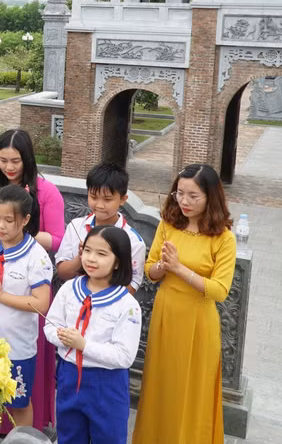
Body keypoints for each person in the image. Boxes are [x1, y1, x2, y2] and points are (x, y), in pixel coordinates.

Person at [133, 163, 236, 444]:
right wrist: (163, 268)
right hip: (166, 313)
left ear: (210, 197)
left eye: (194, 196)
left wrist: (180, 269)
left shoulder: (223, 238)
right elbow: (151, 270)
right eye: (180, 193)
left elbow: (219, 291)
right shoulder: (169, 225)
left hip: (199, 321)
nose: (184, 201)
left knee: (193, 389)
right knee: (161, 384)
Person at [0, 129, 64, 430]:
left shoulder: (45, 191)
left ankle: (25, 434)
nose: (9, 167)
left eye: (15, 161)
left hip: (23, 290)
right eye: (3, 161)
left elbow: (59, 238)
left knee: (20, 390)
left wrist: (21, 236)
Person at [0, 185, 53, 427]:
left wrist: (0, 295)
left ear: (25, 220)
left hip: (17, 345)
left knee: (19, 401)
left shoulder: (36, 256)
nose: (0, 226)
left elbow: (41, 303)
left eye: (8, 220)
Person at [46, 225, 141, 444]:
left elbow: (124, 356)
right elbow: (50, 325)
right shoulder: (69, 289)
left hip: (106, 385)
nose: (91, 259)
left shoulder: (127, 305)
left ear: (118, 261)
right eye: (87, 251)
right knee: (69, 437)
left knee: (108, 438)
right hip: (69, 376)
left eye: (101, 254)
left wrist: (83, 345)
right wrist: (61, 336)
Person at [56, 162, 146, 293]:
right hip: (74, 301)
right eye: (93, 197)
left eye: (107, 199)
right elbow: (62, 272)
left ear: (122, 199)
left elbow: (132, 285)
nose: (99, 205)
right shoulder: (76, 227)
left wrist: (100, 300)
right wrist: (81, 258)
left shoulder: (133, 241)